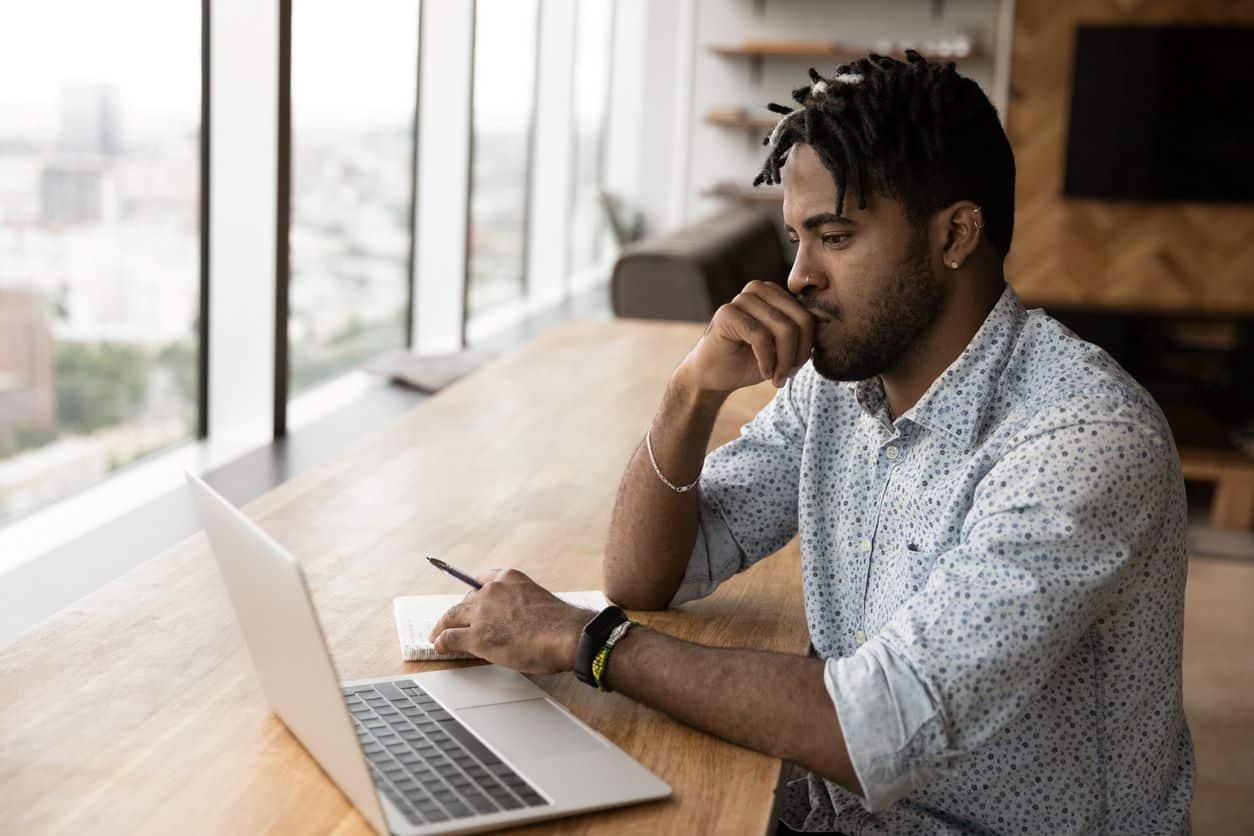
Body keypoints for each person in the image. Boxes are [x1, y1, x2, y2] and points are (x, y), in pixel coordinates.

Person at [428, 51, 1194, 833]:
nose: (797, 277)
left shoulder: (1082, 437)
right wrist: (691, 389)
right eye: (796, 238)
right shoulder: (839, 389)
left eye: (834, 235)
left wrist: (587, 643)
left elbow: (881, 726)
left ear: (956, 235)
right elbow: (646, 574)